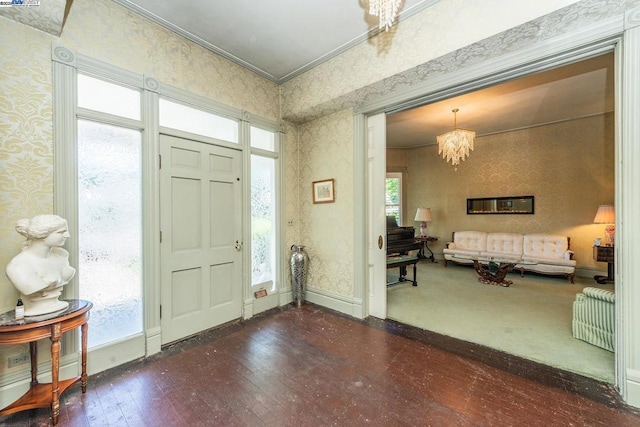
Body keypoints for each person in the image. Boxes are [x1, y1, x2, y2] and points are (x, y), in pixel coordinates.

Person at [5, 214, 75, 316]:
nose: (67, 235)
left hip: (58, 306)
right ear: (42, 234)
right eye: (61, 232)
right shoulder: (18, 266)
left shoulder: (61, 256)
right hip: (35, 311)